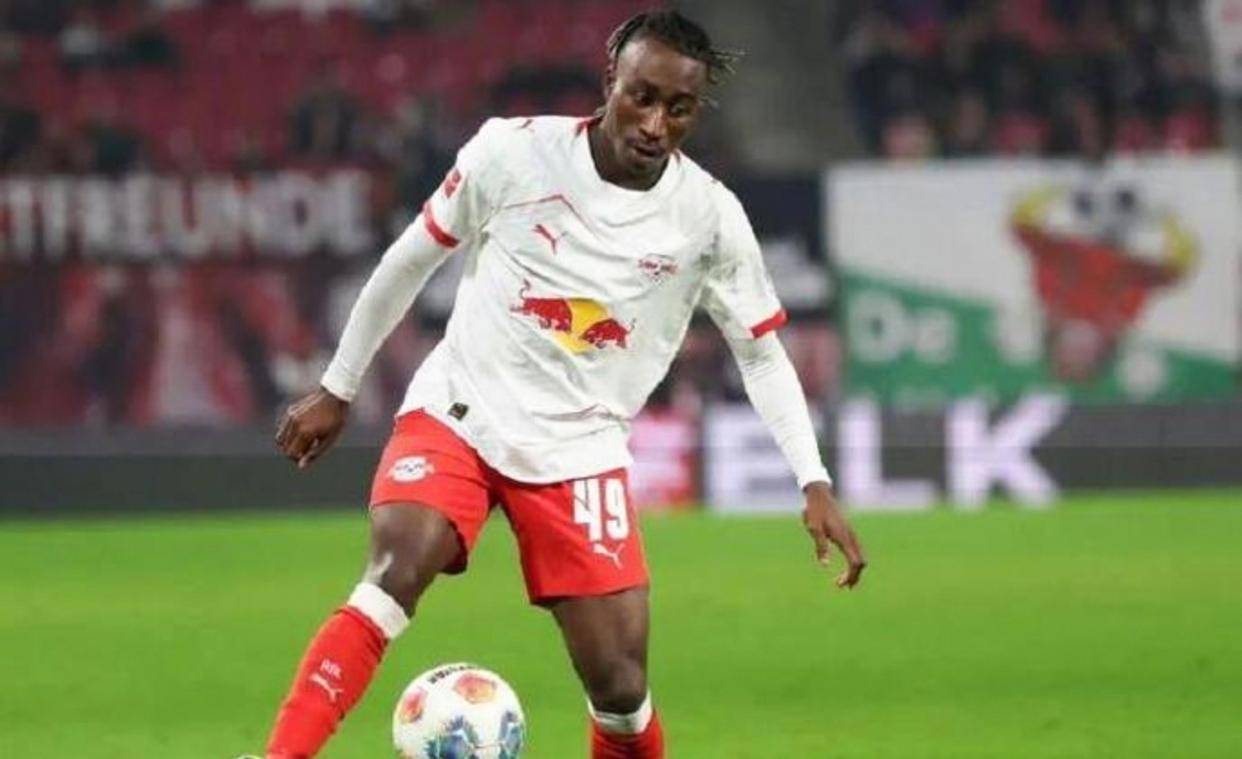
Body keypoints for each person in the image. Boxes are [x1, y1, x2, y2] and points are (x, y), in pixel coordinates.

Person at [254, 10, 866, 759]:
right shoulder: (512, 153)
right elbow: (411, 259)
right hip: (460, 411)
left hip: (579, 449)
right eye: (642, 97)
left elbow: (761, 355)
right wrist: (338, 385)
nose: (656, 124)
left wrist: (813, 480)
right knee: (394, 568)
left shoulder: (709, 218)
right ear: (611, 80)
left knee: (620, 687)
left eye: (679, 109)